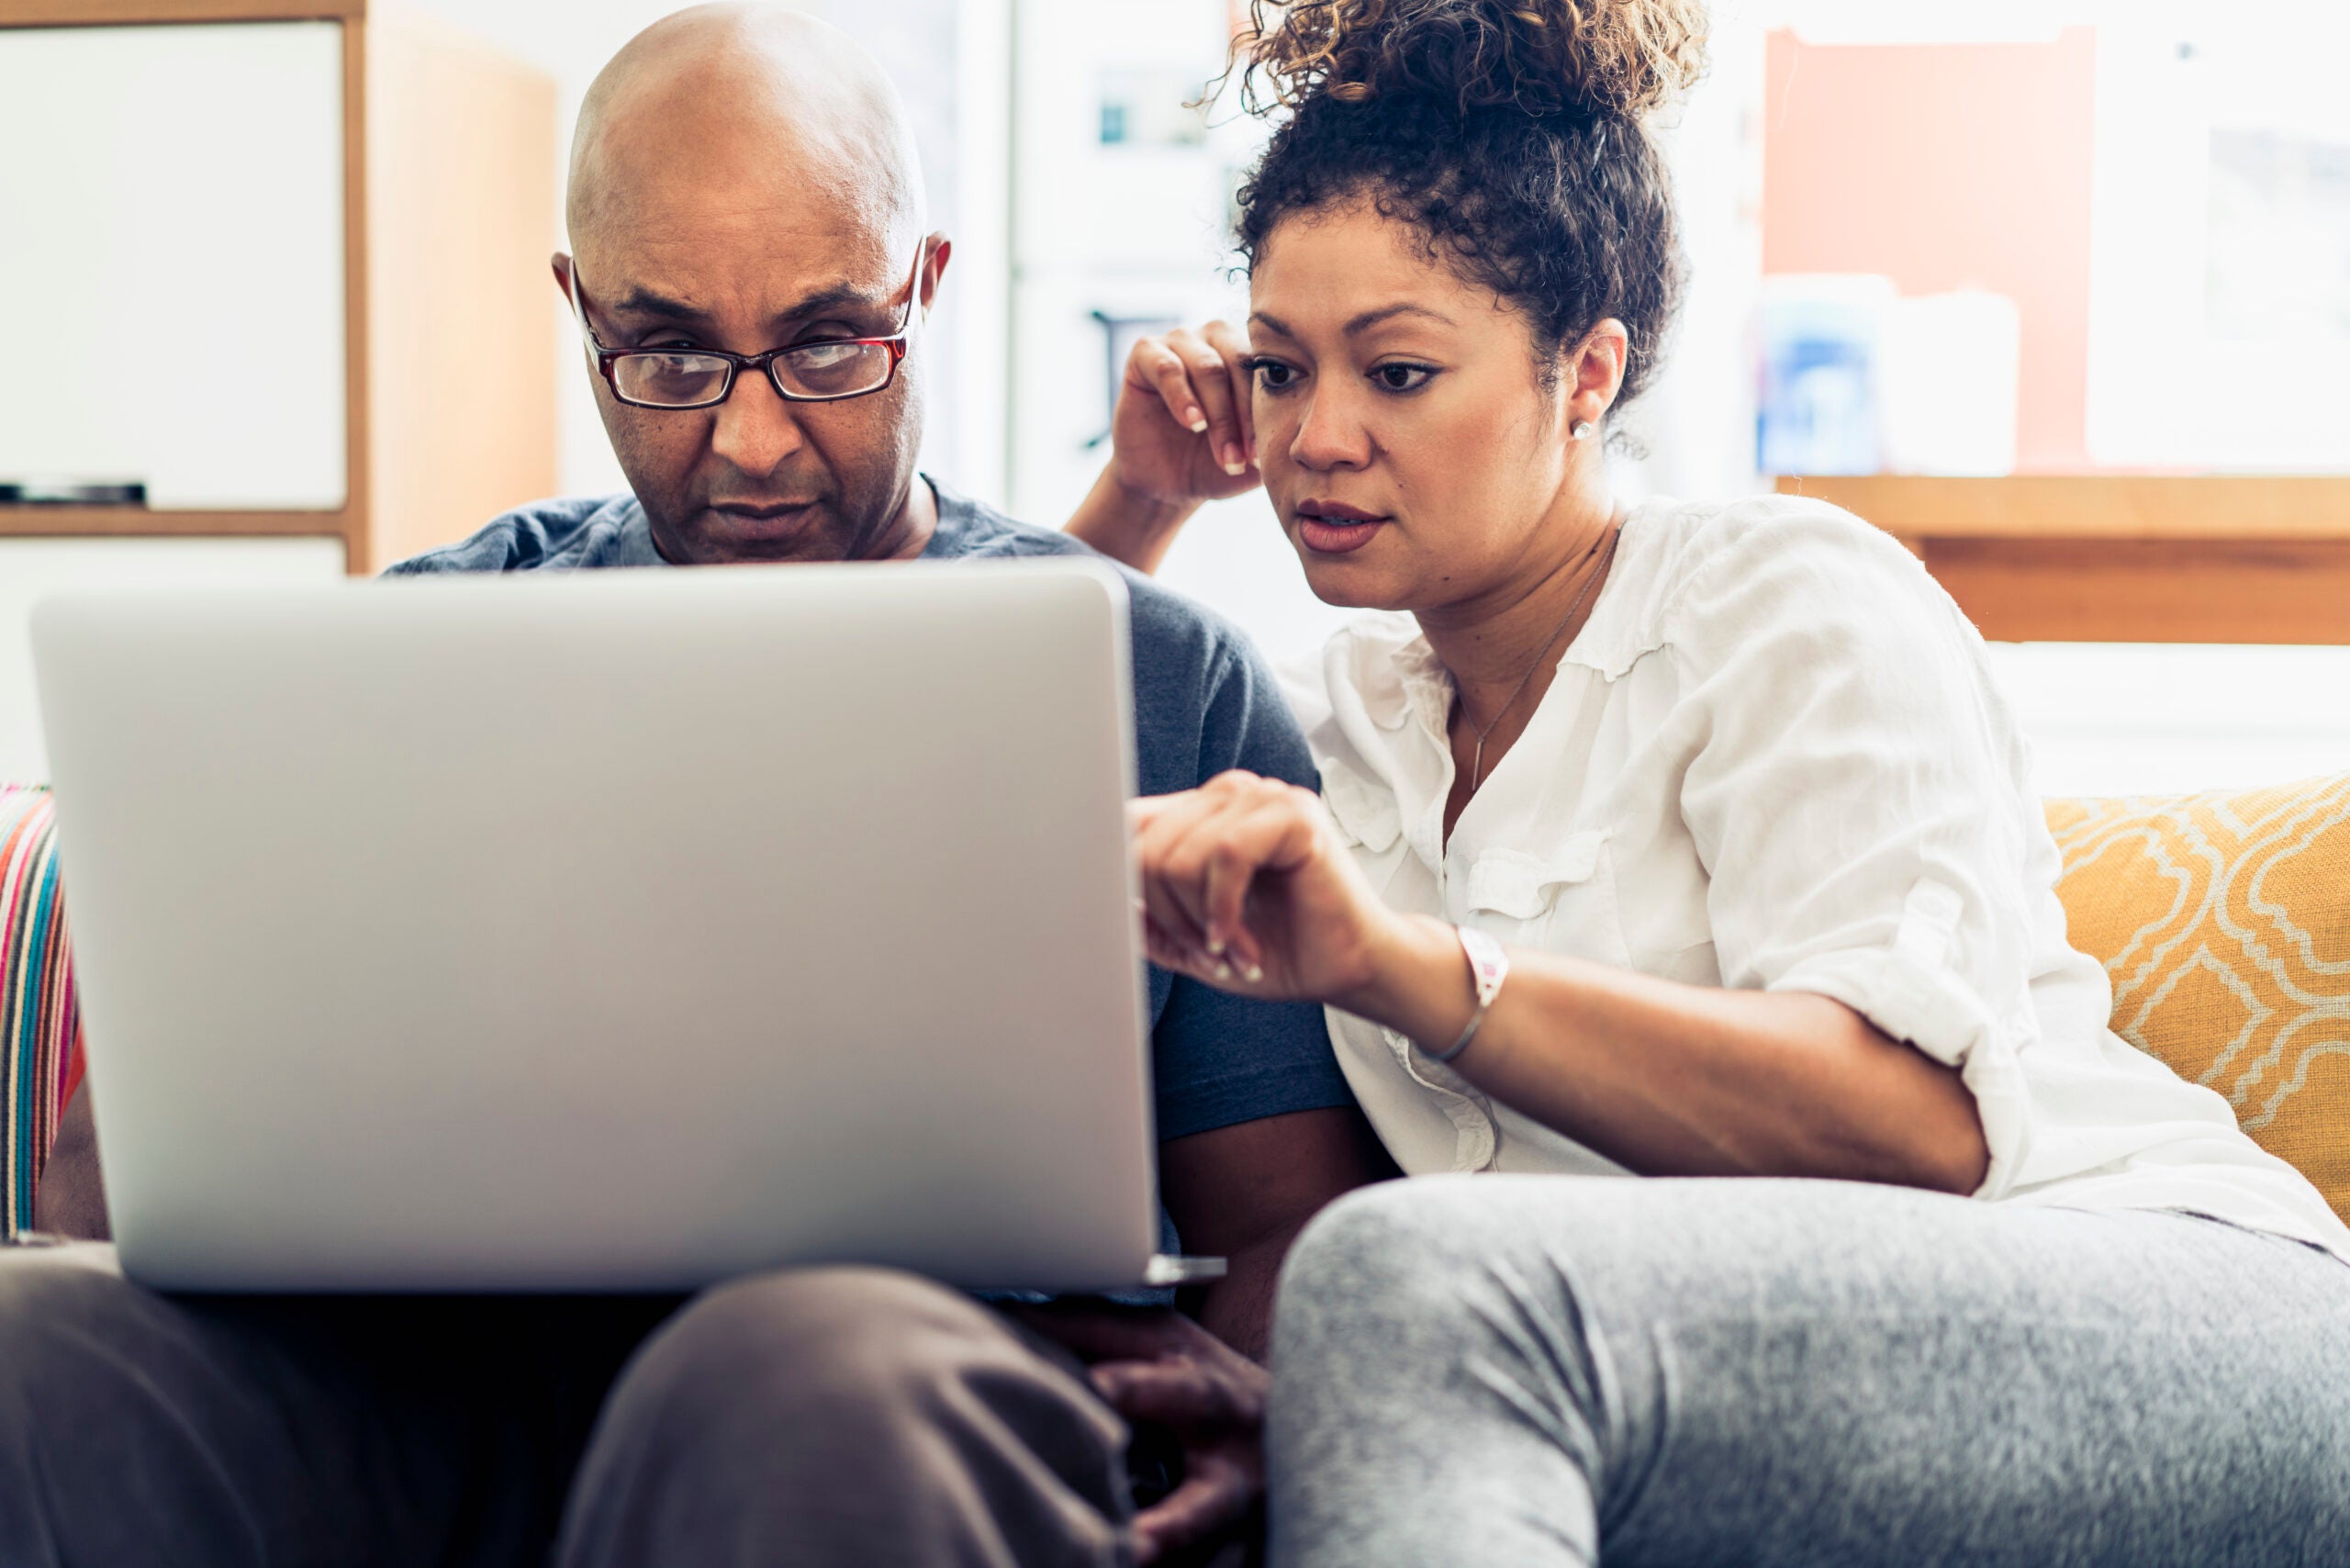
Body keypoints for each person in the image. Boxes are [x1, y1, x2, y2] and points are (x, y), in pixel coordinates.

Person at [1, 8, 1386, 1565]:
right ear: (578, 309)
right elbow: (98, 1193)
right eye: (665, 354)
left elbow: (1276, 1224)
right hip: (435, 1395)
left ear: (923, 286)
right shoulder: (417, 651)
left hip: (896, 1395)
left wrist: (1273, 1407)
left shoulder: (1162, 682)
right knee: (32, 1344)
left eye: (823, 346)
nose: (750, 442)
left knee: (795, 1375)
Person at [1069, 0, 2350, 1562]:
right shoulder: (1354, 730)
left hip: (2163, 1302)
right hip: (1701, 1369)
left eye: (1396, 374)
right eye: (1276, 372)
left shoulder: (1785, 595)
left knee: (1407, 1279)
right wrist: (1139, 502)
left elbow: (1919, 1130)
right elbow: (1041, 786)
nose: (1313, 438)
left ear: (1587, 371)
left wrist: (1407, 967)